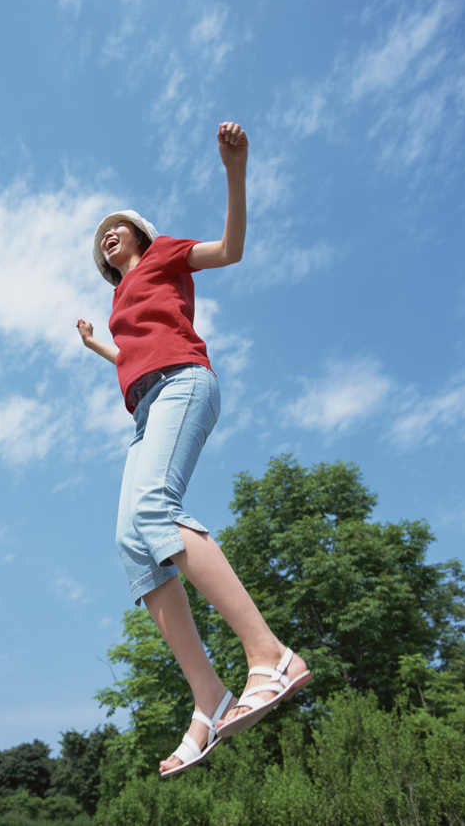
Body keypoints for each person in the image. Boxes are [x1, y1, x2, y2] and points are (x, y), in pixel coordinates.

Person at [76, 121, 311, 777]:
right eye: (100, 239)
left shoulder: (166, 254)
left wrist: (236, 171)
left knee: (155, 507)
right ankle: (208, 695)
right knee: (132, 541)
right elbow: (132, 354)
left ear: (140, 233)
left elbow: (231, 249)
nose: (107, 237)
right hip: (148, 406)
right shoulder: (122, 293)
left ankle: (270, 654)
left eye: (114, 227)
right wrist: (100, 346)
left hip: (184, 383)